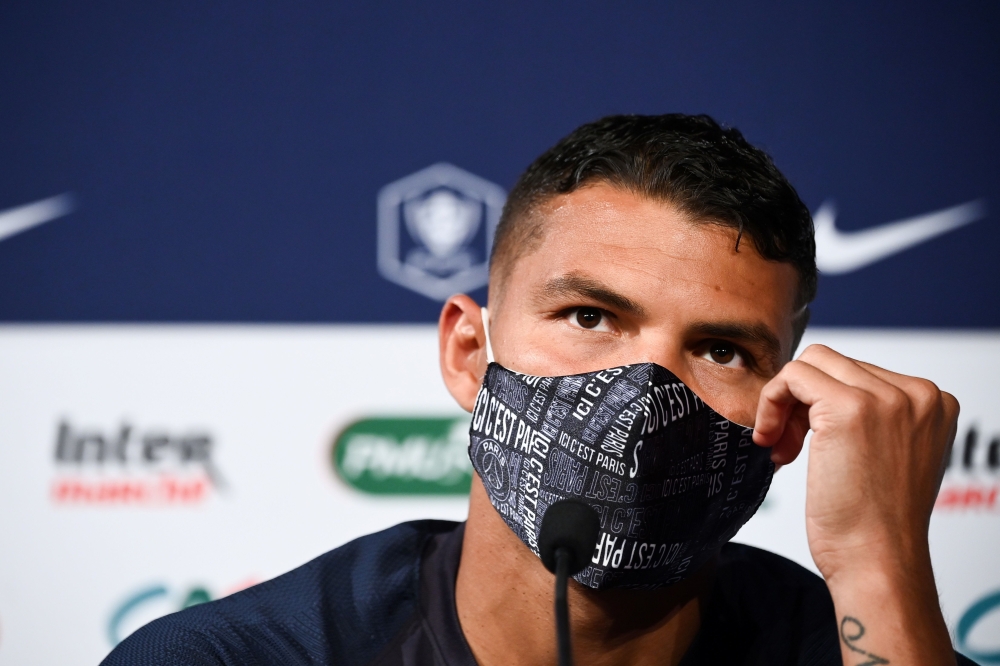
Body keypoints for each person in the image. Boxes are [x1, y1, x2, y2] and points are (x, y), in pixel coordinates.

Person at [102, 114, 972, 665]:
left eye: (720, 350)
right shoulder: (232, 658)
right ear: (468, 354)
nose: (644, 393)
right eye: (590, 318)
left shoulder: (865, 639)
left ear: (783, 422)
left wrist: (876, 568)